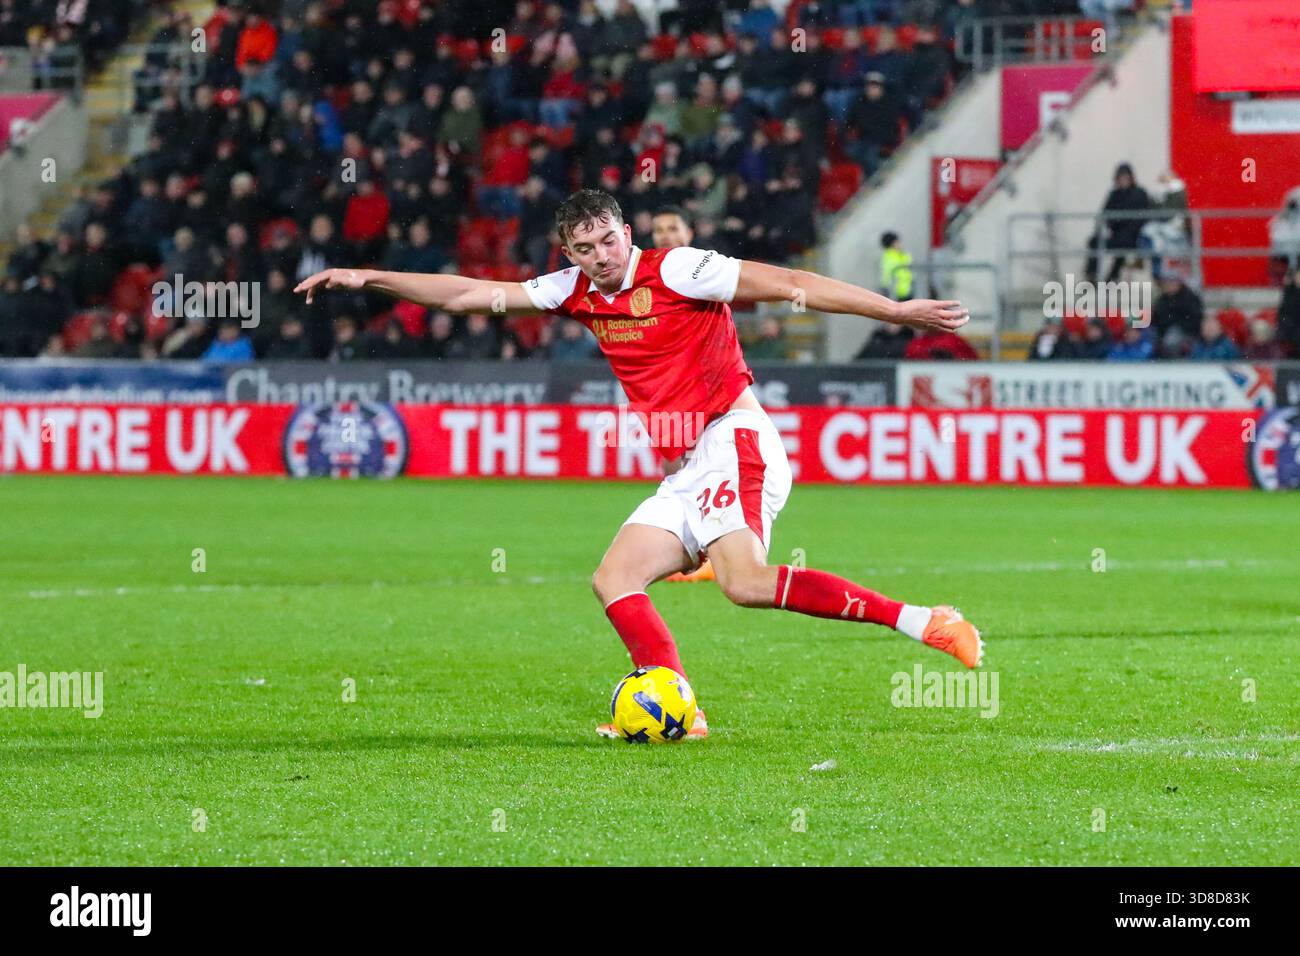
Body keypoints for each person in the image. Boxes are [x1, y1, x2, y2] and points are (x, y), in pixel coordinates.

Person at [295, 188, 982, 741]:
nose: (599, 255)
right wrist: (371, 278)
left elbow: (790, 282)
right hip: (686, 465)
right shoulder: (574, 289)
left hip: (731, 436)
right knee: (615, 578)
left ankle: (925, 620)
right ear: (569, 251)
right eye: (584, 247)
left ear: (627, 231)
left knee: (743, 584)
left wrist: (894, 311)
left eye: (608, 239)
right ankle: (677, 705)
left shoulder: (679, 269)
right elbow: (473, 293)